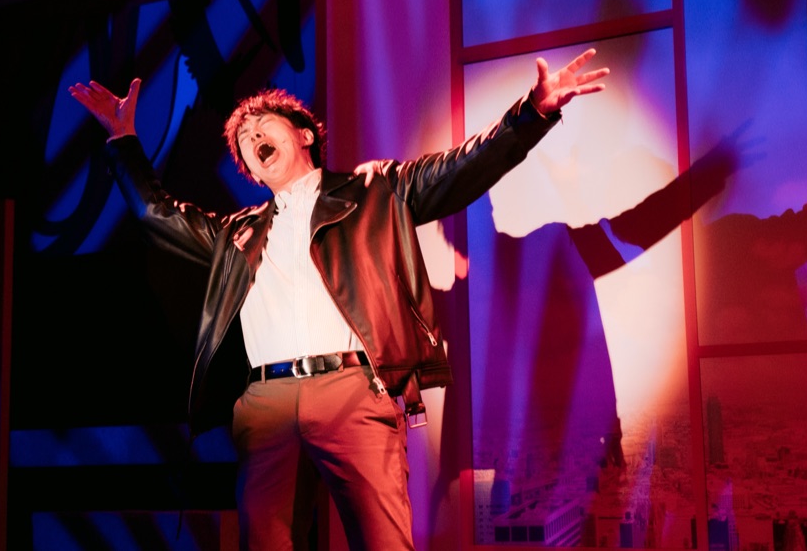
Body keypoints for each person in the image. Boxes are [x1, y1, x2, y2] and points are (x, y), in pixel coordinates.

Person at [70, 48, 609, 550]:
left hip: (351, 389)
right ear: (252, 171)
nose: (252, 137)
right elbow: (156, 216)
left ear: (303, 135)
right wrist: (123, 140)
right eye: (243, 143)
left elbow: (460, 169)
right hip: (265, 404)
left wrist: (532, 114)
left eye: (264, 125)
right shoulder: (234, 234)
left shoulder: (374, 192)